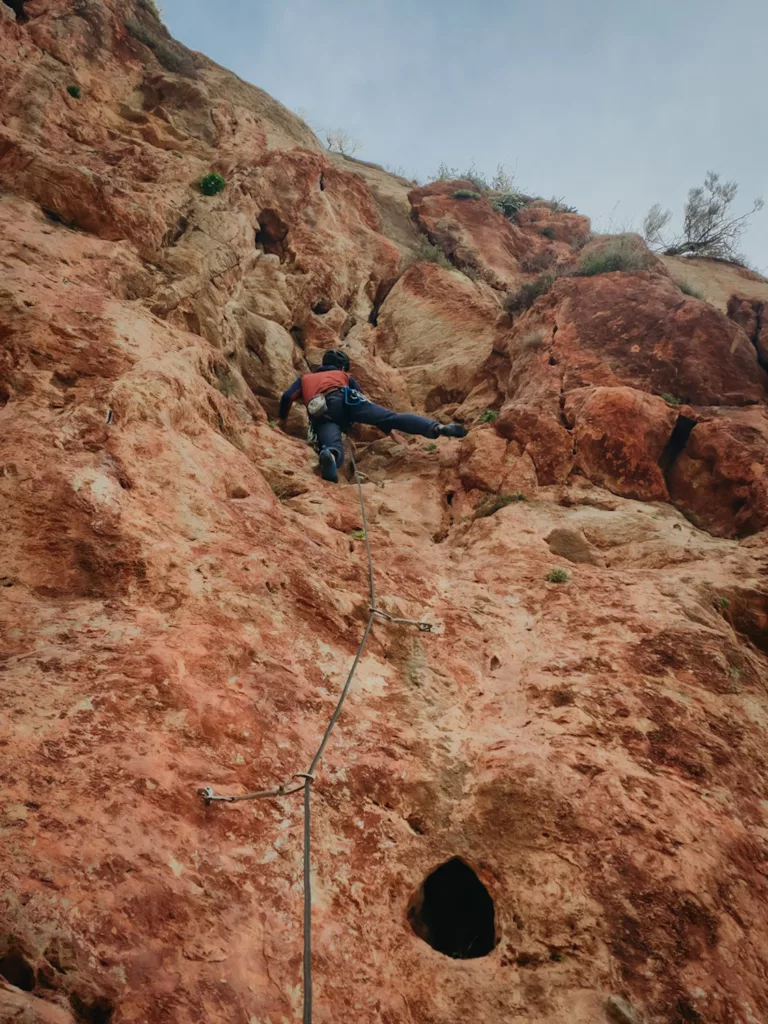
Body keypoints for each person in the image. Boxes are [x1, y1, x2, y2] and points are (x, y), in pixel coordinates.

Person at [278, 349, 467, 482]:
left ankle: (331, 456)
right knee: (391, 417)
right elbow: (362, 399)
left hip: (322, 410)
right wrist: (388, 429)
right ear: (343, 368)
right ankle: (437, 428)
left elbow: (287, 397)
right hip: (347, 398)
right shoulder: (344, 376)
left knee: (331, 443)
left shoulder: (305, 378)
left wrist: (282, 420)